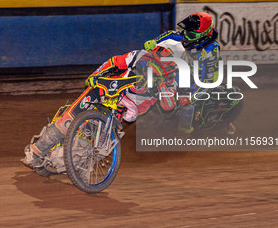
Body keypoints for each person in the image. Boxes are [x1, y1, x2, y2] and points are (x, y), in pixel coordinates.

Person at [22, 47, 179, 169]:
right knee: (68, 121)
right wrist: (95, 75)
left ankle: (81, 167)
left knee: (104, 144)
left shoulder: (170, 83)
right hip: (106, 89)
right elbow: (114, 62)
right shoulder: (138, 55)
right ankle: (35, 152)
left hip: (123, 108)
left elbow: (168, 107)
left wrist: (163, 88)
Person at [144, 12, 222, 134]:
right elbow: (171, 34)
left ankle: (184, 133)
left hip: (206, 81)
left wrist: (189, 97)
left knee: (187, 102)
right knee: (167, 78)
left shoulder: (210, 52)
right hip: (189, 71)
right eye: (186, 31)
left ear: (201, 35)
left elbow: (207, 81)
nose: (185, 35)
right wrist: (154, 41)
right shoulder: (193, 36)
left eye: (189, 33)